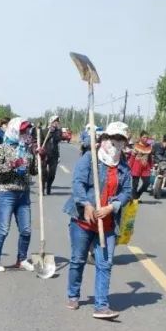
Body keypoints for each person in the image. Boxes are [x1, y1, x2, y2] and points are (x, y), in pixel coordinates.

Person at [63, 121, 134, 320]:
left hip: (108, 224)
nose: (117, 143)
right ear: (105, 139)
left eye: (121, 140)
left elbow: (127, 192)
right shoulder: (90, 159)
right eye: (114, 139)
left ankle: (101, 306)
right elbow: (77, 182)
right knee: (78, 259)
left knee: (105, 263)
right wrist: (86, 204)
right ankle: (73, 295)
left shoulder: (123, 166)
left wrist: (113, 206)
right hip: (83, 222)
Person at [0, 117, 33, 272]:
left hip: (23, 194)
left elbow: (33, 171)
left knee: (26, 230)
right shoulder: (3, 148)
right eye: (22, 131)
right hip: (6, 193)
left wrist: (40, 157)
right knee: (3, 230)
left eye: (26, 131)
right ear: (14, 130)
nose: (25, 134)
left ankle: (22, 259)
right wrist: (12, 165)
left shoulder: (26, 149)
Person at [40, 115, 63, 195]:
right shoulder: (44, 130)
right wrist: (49, 132)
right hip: (45, 154)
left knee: (52, 174)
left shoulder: (58, 131)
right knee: (43, 173)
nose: (57, 123)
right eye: (55, 121)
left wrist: (54, 132)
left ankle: (49, 186)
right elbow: (40, 141)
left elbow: (58, 139)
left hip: (54, 154)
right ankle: (42, 189)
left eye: (58, 122)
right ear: (51, 122)